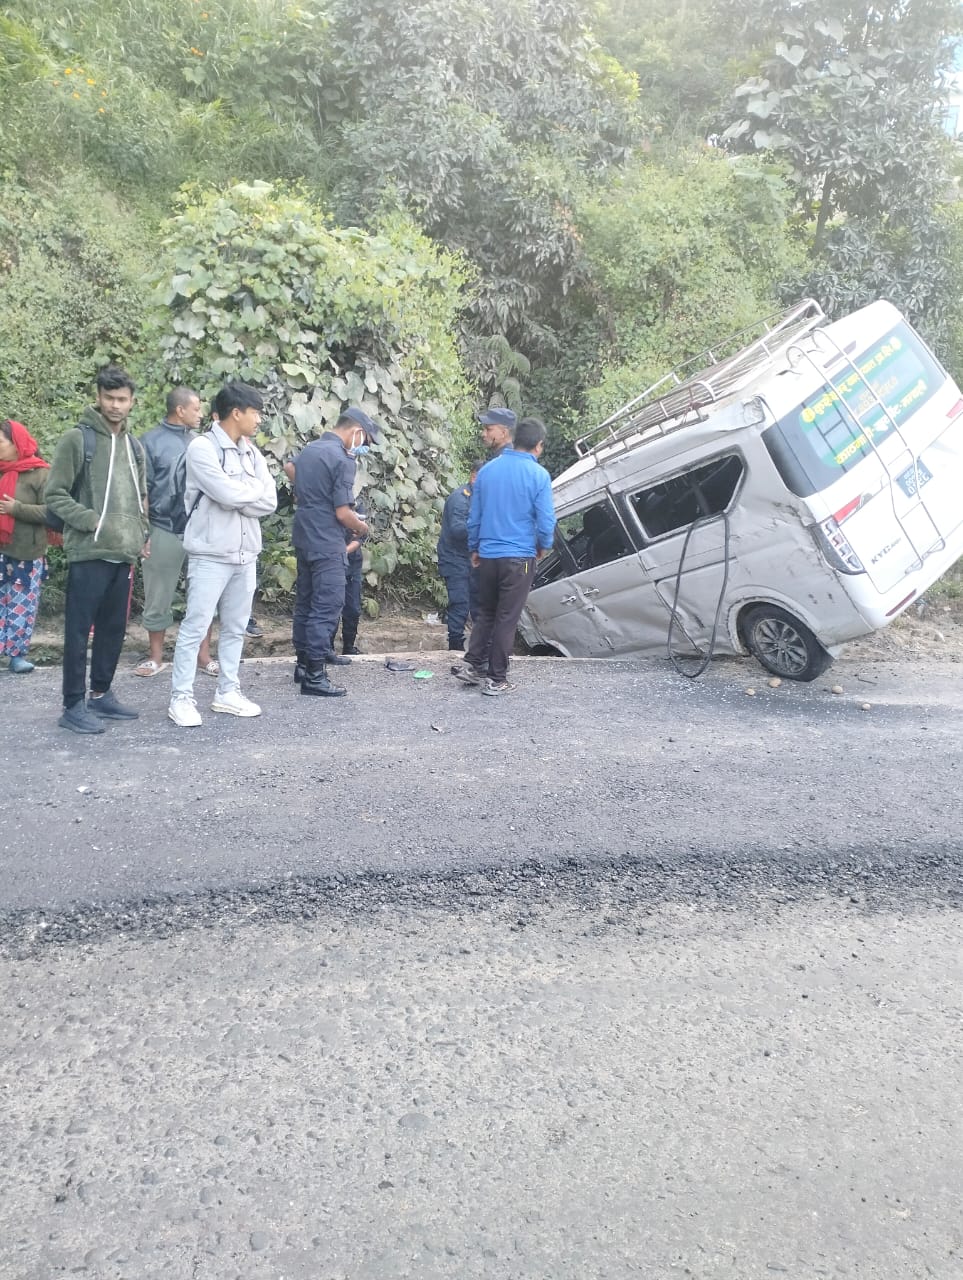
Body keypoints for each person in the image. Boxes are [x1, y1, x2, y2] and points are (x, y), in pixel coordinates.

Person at [167, 382, 277, 728]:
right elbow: (225, 494)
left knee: (234, 628)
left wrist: (243, 495)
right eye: (256, 412)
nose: (259, 420)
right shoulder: (202, 448)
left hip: (246, 554)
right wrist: (249, 495)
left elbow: (270, 500)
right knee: (196, 626)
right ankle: (181, 699)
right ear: (237, 413)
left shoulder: (251, 452)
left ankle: (227, 692)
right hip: (210, 554)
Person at [46, 364, 149, 735]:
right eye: (109, 398)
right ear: (98, 397)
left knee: (113, 629)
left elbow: (141, 496)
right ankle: (73, 704)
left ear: (132, 401)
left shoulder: (134, 445)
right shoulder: (78, 439)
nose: (115, 405)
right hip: (88, 552)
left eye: (122, 399)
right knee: (77, 631)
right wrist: (91, 520)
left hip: (123, 552)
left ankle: (101, 693)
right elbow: (54, 494)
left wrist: (143, 532)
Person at [452, 416, 555, 696]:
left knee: (485, 613)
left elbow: (475, 517)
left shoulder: (487, 471)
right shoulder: (539, 476)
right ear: (538, 446)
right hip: (520, 560)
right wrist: (543, 546)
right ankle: (497, 678)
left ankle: (472, 665)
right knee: (507, 617)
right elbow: (546, 522)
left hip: (487, 557)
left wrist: (475, 548)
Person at [291, 407, 380, 697]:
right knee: (327, 606)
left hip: (304, 536)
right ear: (356, 432)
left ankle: (302, 665)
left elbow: (289, 469)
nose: (364, 446)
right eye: (365, 440)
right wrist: (362, 529)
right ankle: (315, 676)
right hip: (327, 540)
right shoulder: (343, 459)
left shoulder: (309, 450)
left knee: (305, 602)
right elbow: (343, 512)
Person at [135, 387, 216, 678]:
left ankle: (203, 657)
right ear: (180, 410)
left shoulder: (202, 443)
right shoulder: (150, 442)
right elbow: (140, 491)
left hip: (199, 530)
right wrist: (144, 532)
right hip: (162, 528)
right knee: (158, 594)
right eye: (196, 408)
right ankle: (155, 657)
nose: (201, 414)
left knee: (205, 595)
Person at [0, 418, 49, 674]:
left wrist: (16, 509)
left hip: (26, 553)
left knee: (21, 604)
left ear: (16, 444)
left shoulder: (40, 473)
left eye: (1, 442)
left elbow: (51, 512)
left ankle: (17, 655)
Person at [437, 461, 483, 652]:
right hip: (454, 558)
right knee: (460, 604)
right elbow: (457, 529)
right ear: (474, 476)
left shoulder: (480, 498)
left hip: (471, 559)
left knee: (478, 605)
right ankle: (455, 648)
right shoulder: (460, 498)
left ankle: (478, 649)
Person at [339, 499, 367, 656]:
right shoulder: (331, 501)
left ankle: (349, 646)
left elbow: (361, 537)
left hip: (352, 562)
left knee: (353, 608)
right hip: (332, 561)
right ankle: (327, 648)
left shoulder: (358, 503)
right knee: (332, 606)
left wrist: (344, 551)